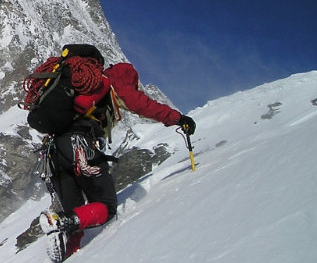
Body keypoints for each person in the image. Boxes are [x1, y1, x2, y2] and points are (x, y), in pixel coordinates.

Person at [27, 44, 196, 262]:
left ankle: (69, 253)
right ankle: (60, 223)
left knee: (77, 217)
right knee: (105, 206)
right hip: (79, 144)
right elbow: (142, 105)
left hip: (52, 153)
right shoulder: (111, 80)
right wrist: (178, 119)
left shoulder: (69, 86)